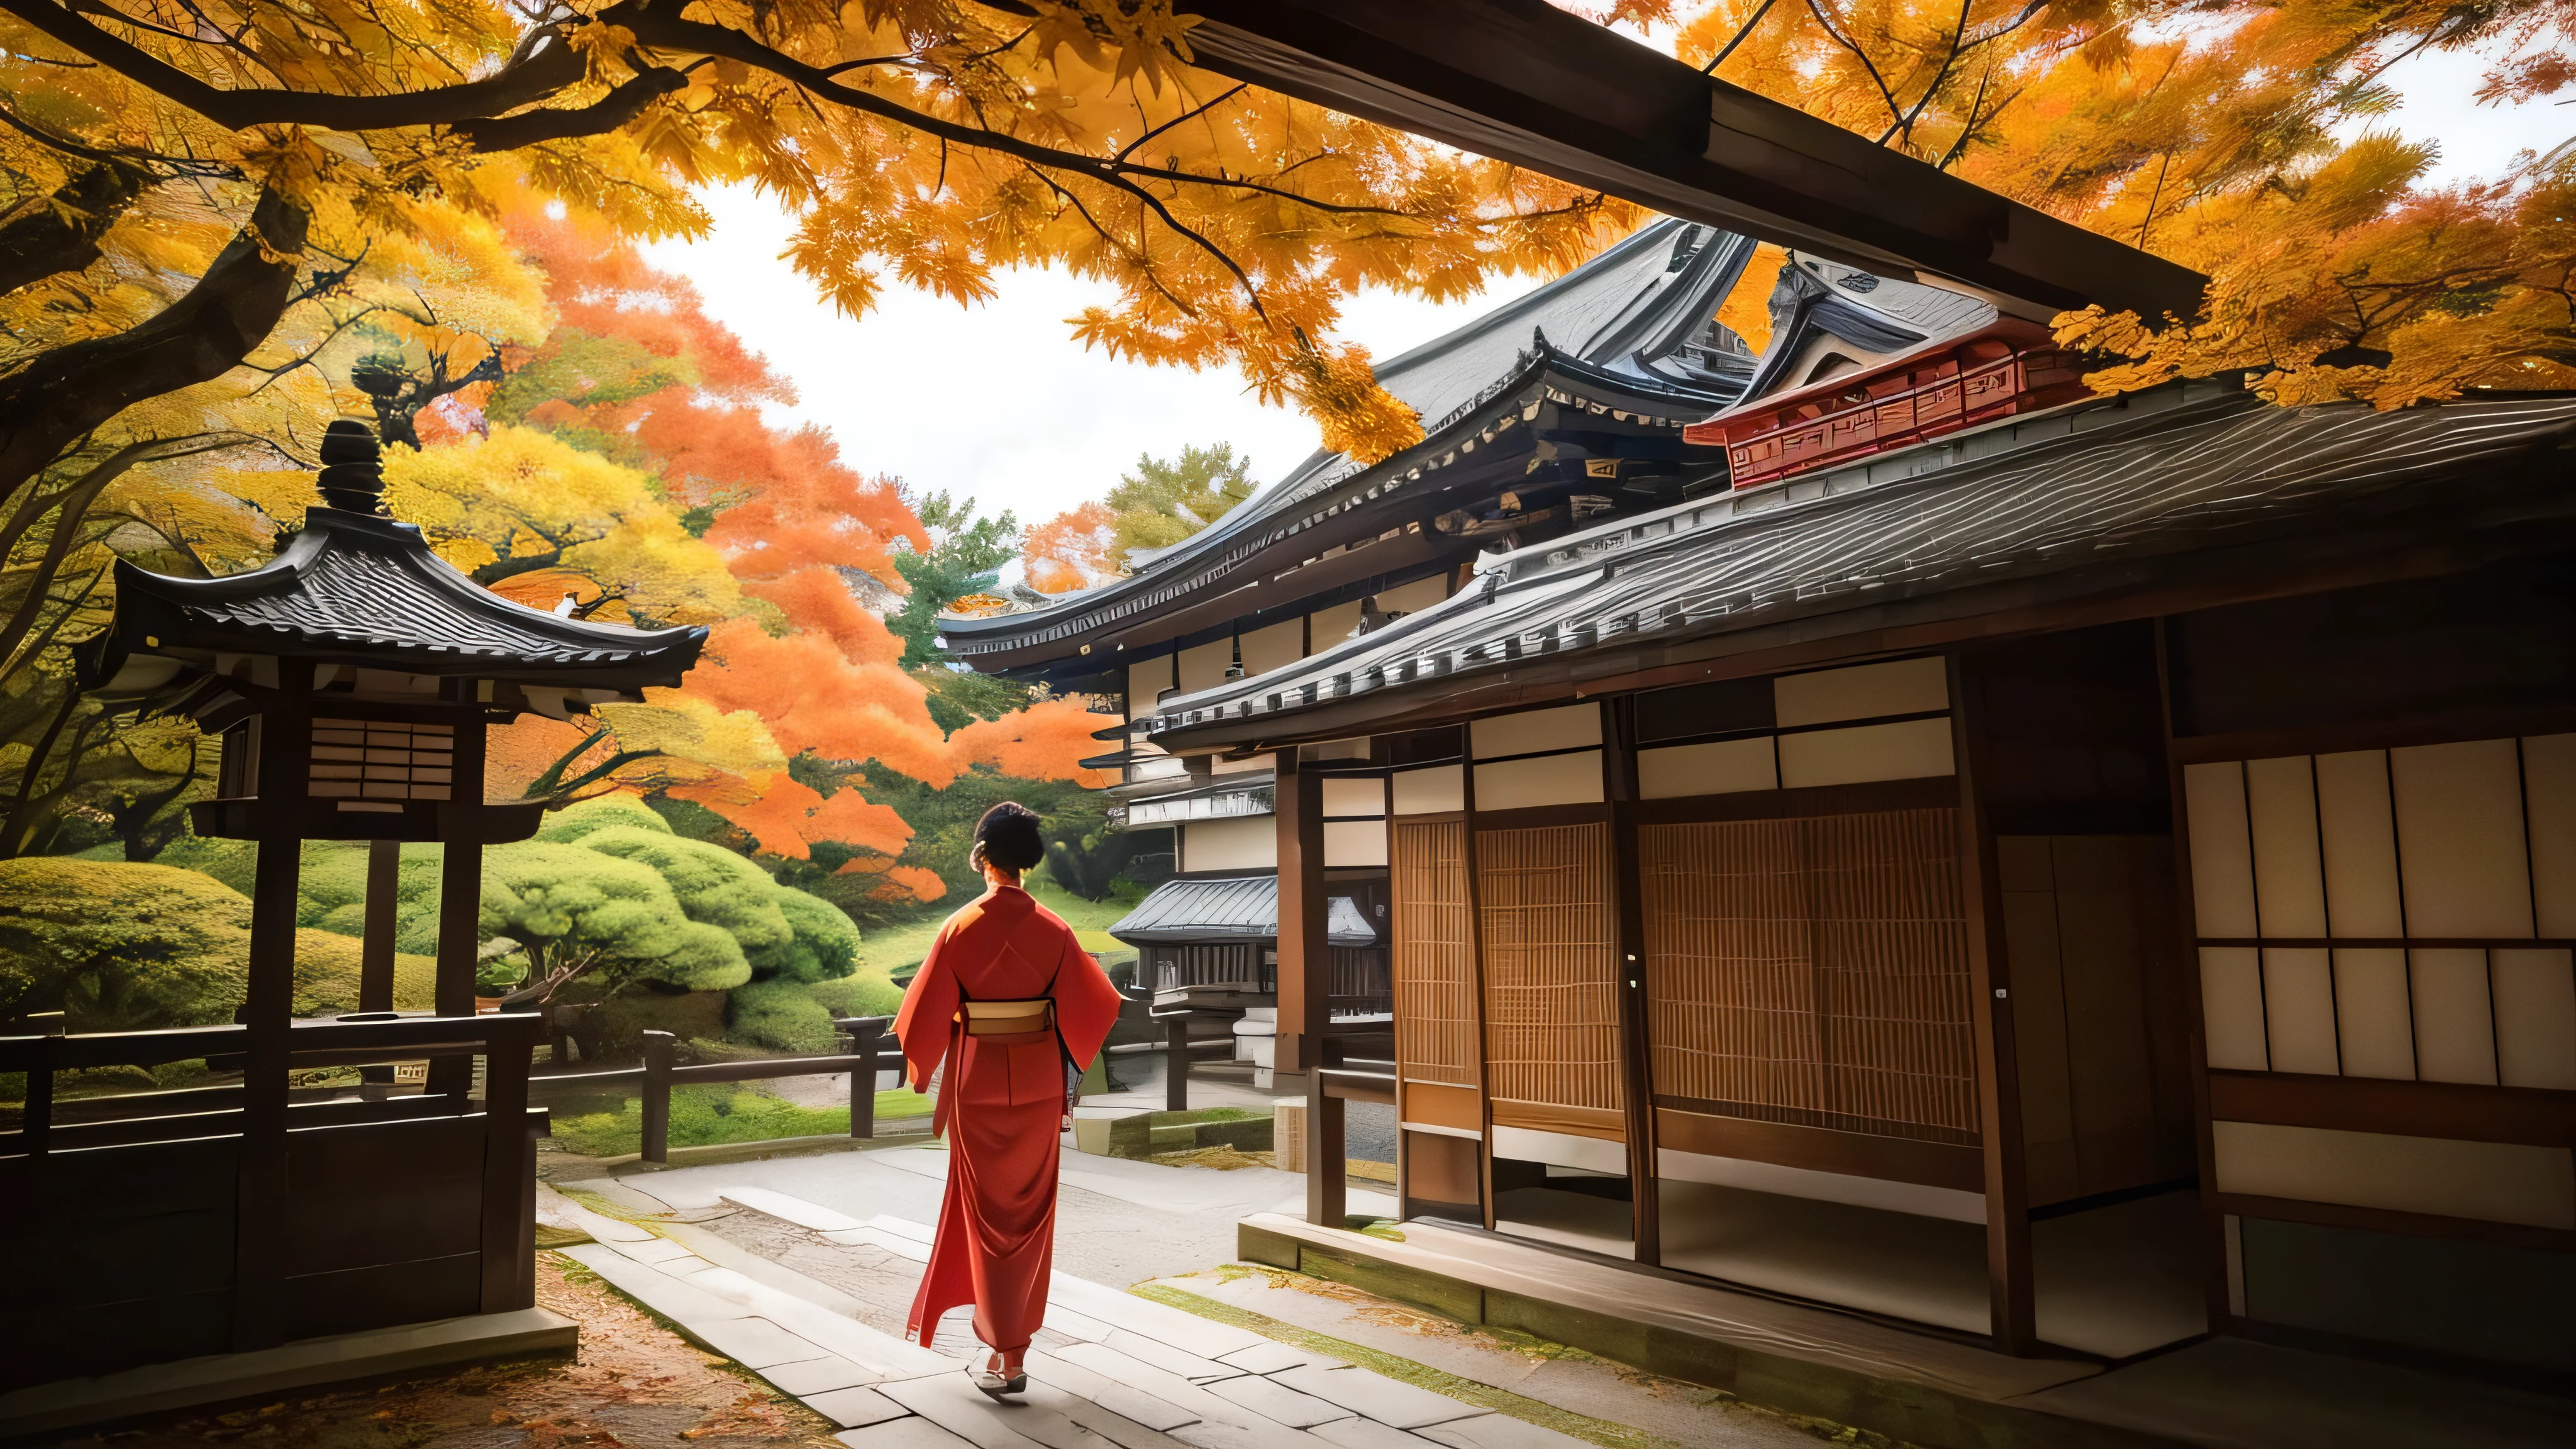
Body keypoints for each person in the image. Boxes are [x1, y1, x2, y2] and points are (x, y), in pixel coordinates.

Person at [892, 801, 1123, 1396]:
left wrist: (931, 1057)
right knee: (1031, 1216)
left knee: (983, 1215)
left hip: (978, 1084)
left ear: (982, 858)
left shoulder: (961, 926)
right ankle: (1013, 1349)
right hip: (1040, 1083)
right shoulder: (1056, 929)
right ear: (1029, 863)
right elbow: (1100, 1005)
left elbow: (917, 1016)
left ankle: (1002, 1351)